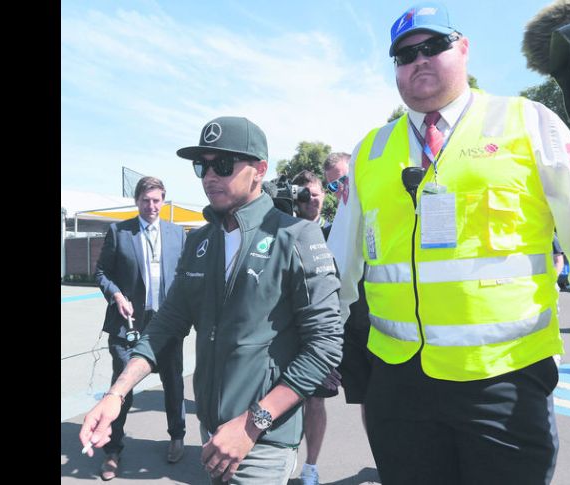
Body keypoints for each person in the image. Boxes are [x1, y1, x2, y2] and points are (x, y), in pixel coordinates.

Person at [326, 3, 570, 484]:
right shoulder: (372, 149)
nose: (419, 60)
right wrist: (321, 346)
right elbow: (337, 266)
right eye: (404, 56)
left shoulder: (528, 122)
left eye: (434, 46)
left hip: (505, 380)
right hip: (399, 384)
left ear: (464, 49)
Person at [80, 116, 343, 485]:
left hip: (263, 441)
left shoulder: (296, 236)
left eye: (223, 164)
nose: (209, 176)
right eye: (201, 166)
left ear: (259, 170)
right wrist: (116, 394)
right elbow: (166, 325)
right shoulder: (200, 241)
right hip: (211, 432)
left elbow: (325, 347)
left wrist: (252, 424)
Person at [93, 176, 187, 480]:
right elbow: (102, 272)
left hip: (166, 323)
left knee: (173, 383)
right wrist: (117, 295)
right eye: (146, 200)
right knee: (121, 387)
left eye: (156, 200)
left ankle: (177, 436)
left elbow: (186, 275)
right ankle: (112, 450)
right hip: (129, 325)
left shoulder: (177, 234)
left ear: (163, 200)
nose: (151, 206)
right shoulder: (119, 232)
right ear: (137, 201)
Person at [291, 169, 341, 485]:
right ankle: (283, 458)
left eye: (316, 193)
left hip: (321, 334)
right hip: (288, 333)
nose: (311, 200)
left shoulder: (337, 233)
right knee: (282, 399)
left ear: (325, 195)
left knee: (315, 401)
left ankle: (310, 466)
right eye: (304, 195)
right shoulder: (285, 231)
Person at [324, 152, 374, 433]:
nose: (340, 189)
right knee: (368, 404)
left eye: (344, 180)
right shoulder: (334, 231)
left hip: (382, 331)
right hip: (352, 331)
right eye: (333, 185)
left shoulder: (375, 215)